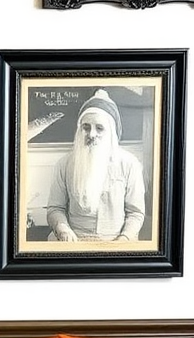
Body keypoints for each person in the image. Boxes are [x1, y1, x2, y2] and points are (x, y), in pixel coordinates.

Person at [46, 89, 145, 242]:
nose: (91, 134)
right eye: (86, 127)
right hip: (74, 241)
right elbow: (55, 208)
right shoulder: (64, 164)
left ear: (111, 132)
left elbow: (136, 213)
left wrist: (123, 240)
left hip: (116, 241)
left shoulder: (130, 164)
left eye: (99, 128)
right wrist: (63, 229)